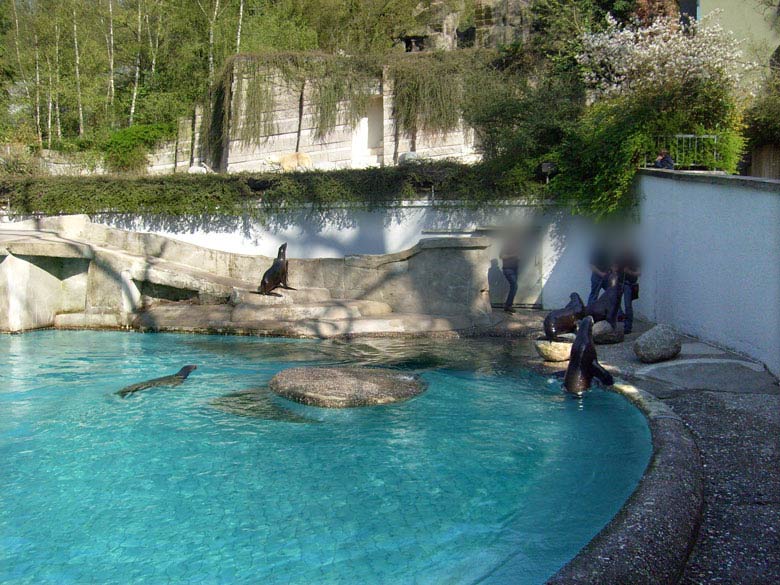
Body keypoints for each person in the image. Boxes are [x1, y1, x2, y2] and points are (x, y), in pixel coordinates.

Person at [617, 249, 641, 335]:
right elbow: (613, 268)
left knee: (628, 306)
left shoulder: (634, 259)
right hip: (619, 284)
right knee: (615, 304)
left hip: (629, 284)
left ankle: (628, 327)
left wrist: (630, 272)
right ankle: (619, 318)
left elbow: (639, 273)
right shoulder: (618, 257)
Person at [500, 238, 521, 313]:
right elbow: (502, 256)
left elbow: (517, 257)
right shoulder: (506, 246)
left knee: (514, 287)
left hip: (514, 269)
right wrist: (513, 255)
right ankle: (508, 305)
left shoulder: (516, 247)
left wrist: (518, 259)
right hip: (508, 269)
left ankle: (508, 306)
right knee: (514, 286)